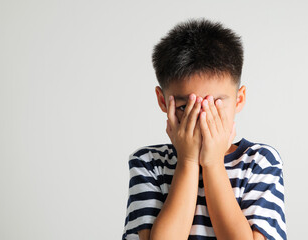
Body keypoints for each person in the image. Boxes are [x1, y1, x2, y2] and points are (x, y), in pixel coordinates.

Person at [122, 18, 286, 240]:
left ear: (239, 100)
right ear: (162, 101)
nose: (201, 118)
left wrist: (213, 163)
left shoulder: (259, 162)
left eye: (215, 105)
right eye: (185, 107)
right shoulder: (148, 163)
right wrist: (188, 161)